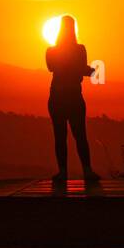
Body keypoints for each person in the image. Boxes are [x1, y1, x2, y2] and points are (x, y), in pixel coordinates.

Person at [44, 15, 99, 182]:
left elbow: (52, 67)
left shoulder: (51, 51)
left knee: (60, 136)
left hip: (58, 97)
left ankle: (63, 172)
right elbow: (81, 69)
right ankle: (87, 171)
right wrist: (92, 71)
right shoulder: (80, 49)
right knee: (80, 135)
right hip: (74, 96)